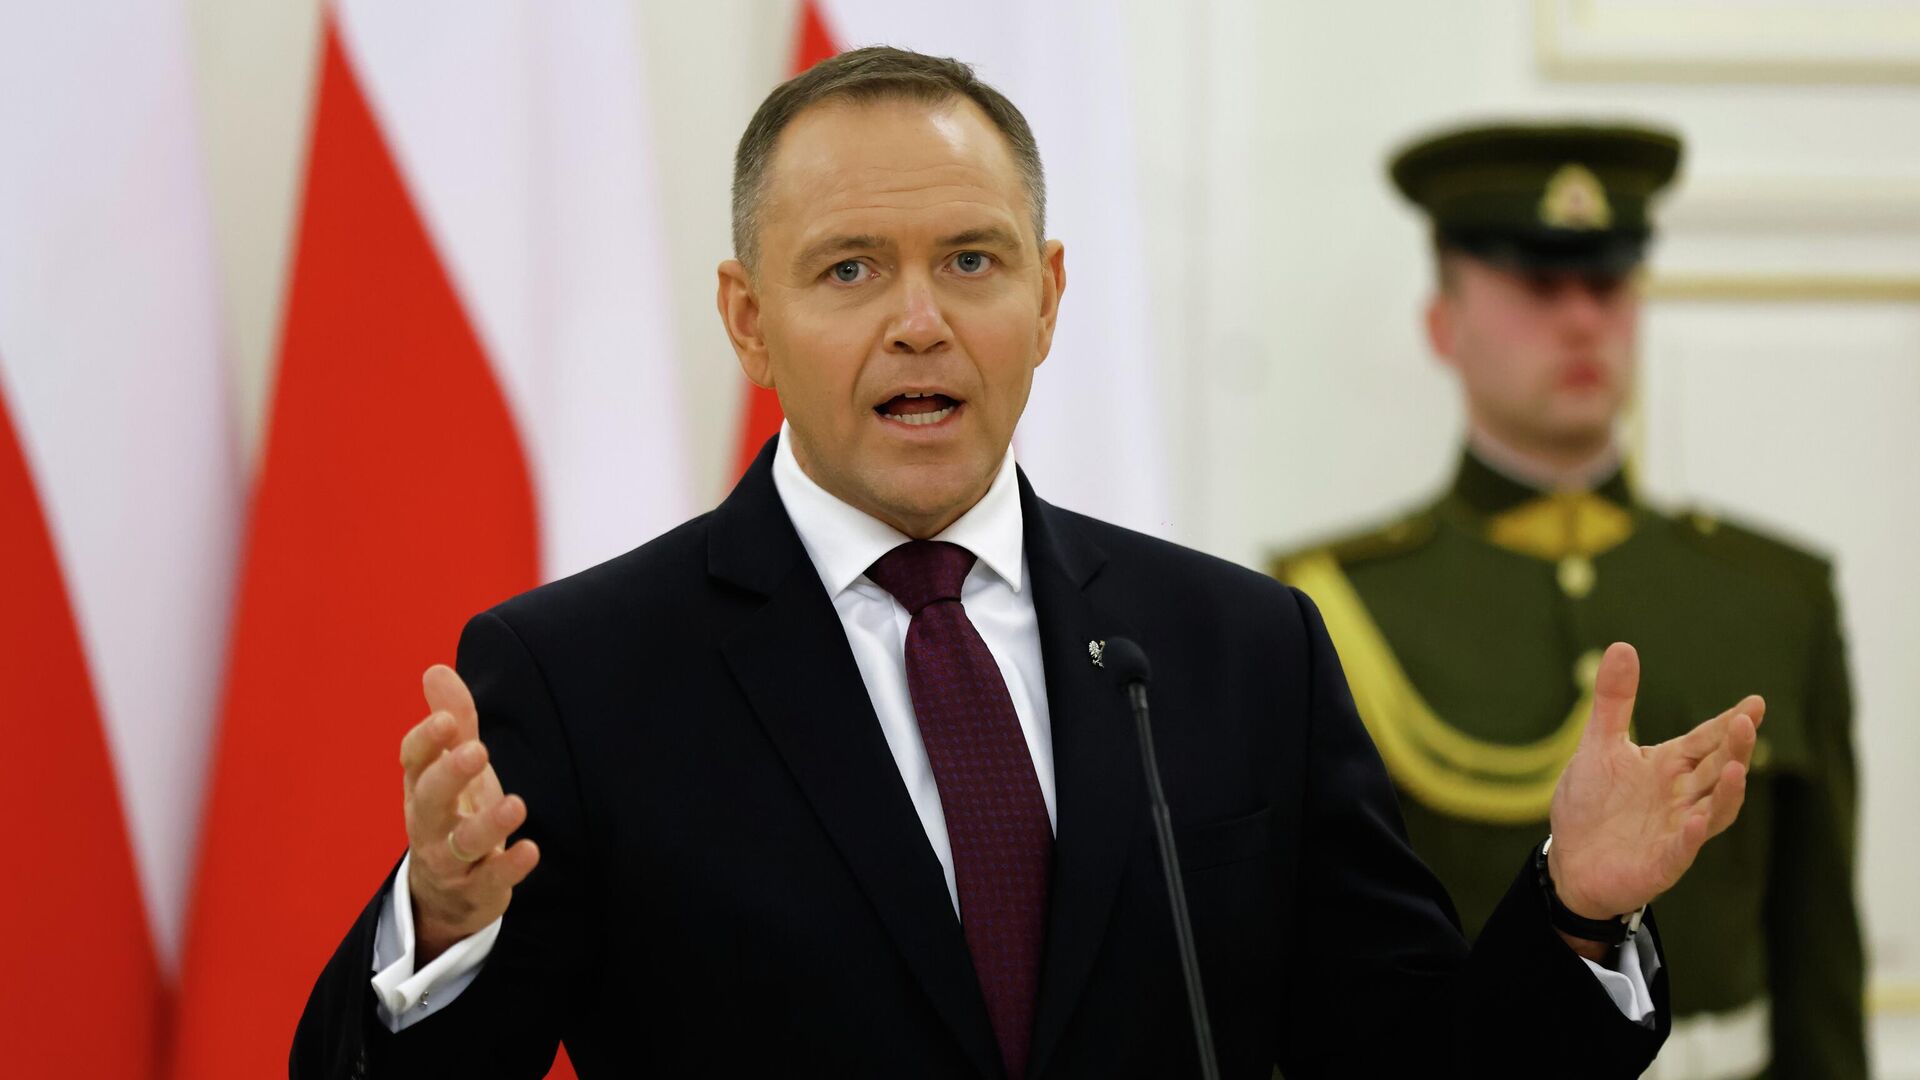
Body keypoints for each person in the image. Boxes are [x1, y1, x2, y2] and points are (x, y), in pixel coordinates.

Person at [294, 52, 1764, 1079]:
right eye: (850, 268)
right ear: (748, 321)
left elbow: (1413, 1065)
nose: (921, 321)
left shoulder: (1238, 649)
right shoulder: (584, 674)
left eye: (973, 261)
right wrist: (446, 929)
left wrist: (1575, 908)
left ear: (1049, 299)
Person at [1272, 121, 1863, 1079]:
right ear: (1444, 325)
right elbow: (1307, 982)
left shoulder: (1774, 595)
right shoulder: (1331, 607)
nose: (1584, 320)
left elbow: (1819, 966)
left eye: (1609, 284)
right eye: (1539, 286)